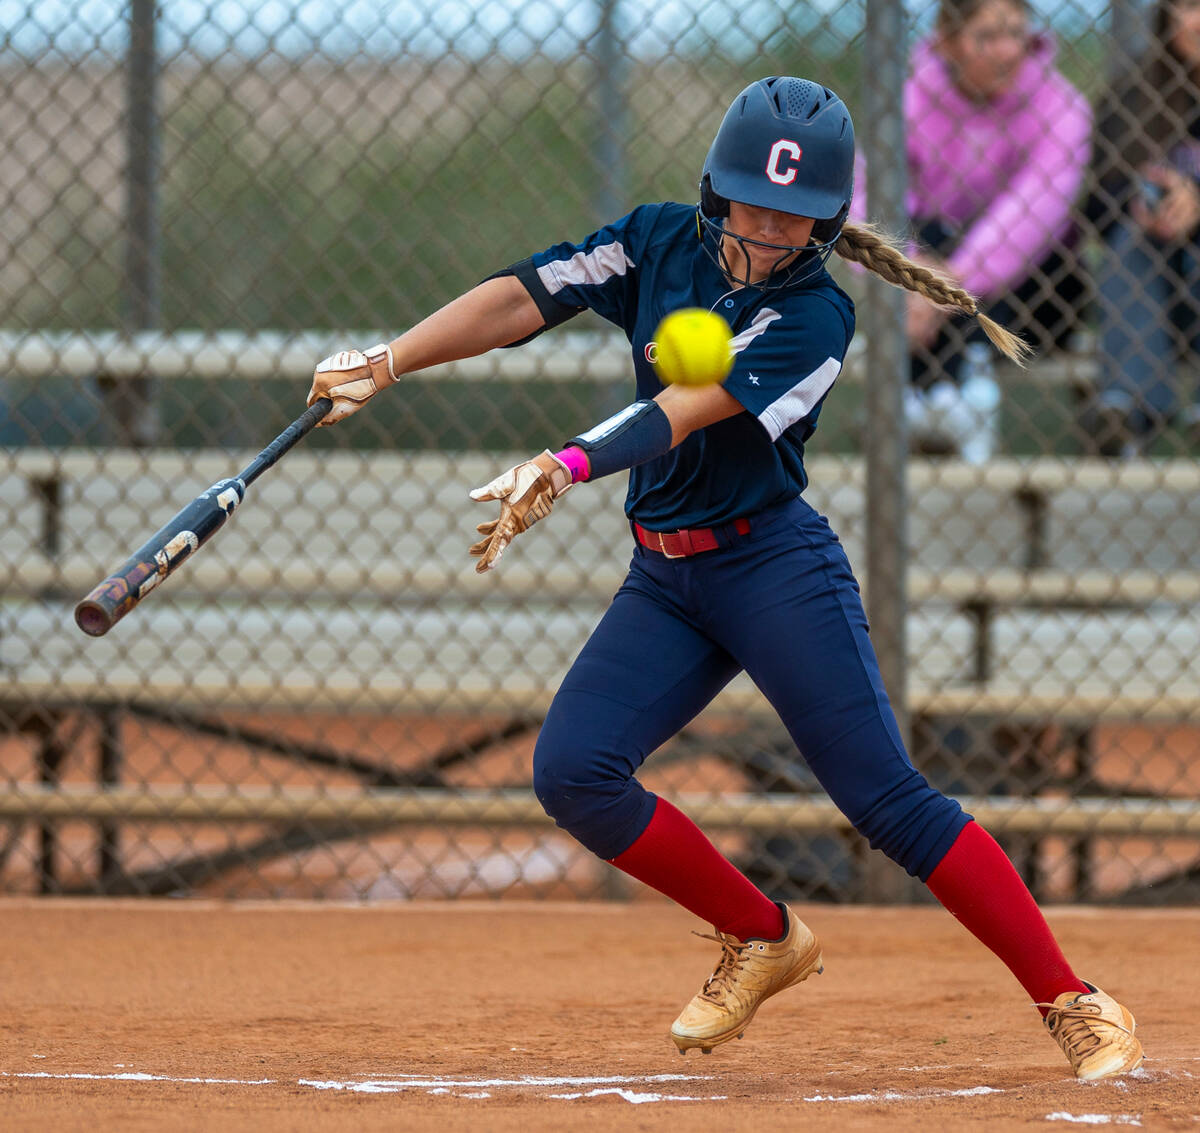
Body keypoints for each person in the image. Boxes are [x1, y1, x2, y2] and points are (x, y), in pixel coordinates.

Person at [307, 76, 1141, 1080]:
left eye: (792, 216)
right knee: (573, 772)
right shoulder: (656, 240)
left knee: (887, 801)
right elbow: (523, 295)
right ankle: (764, 935)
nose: (766, 229)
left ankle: (1073, 998)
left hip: (771, 567)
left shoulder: (815, 318)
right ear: (714, 189)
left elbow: (686, 407)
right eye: (751, 203)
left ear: (828, 222)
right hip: (666, 579)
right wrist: (387, 360)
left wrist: (564, 463)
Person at [852, 0, 1091, 459]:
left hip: (1033, 285)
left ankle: (939, 394)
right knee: (925, 232)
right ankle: (949, 398)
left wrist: (943, 284)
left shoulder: (1064, 107)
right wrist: (910, 275)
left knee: (1002, 247)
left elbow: (1032, 214)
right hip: (926, 273)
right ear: (947, 43)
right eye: (987, 37)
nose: (1007, 51)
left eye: (1016, 33)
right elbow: (867, 195)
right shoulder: (910, 100)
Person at [1083, 0, 1200, 456]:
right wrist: (1142, 203)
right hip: (1148, 282)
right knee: (1130, 241)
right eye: (1189, 6)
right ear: (1166, 19)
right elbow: (1097, 206)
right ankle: (1127, 410)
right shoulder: (1134, 93)